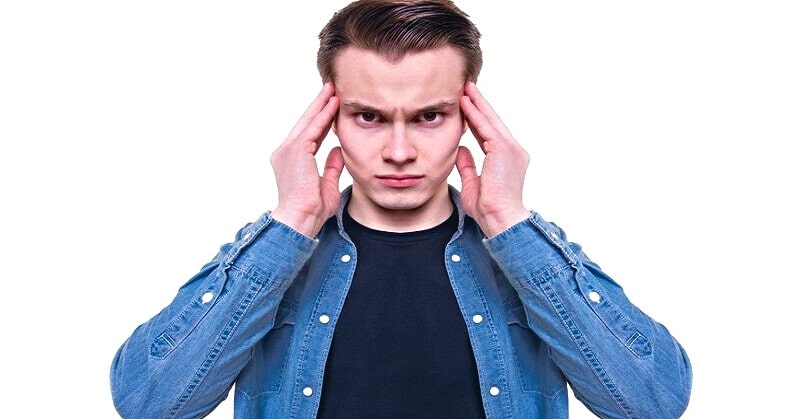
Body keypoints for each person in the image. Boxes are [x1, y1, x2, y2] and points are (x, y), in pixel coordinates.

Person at [110, 1, 692, 417]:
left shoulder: (522, 258)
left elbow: (653, 402)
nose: (398, 151)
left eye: (428, 116)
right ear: (328, 117)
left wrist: (513, 224)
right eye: (368, 116)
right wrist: (286, 225)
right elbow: (148, 403)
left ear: (471, 116)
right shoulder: (279, 260)